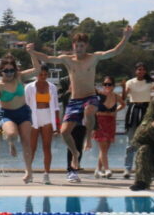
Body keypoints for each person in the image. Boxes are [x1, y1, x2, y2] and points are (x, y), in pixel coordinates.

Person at [27, 25, 133, 170]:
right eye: (77, 46)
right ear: (73, 46)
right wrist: (32, 52)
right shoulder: (67, 60)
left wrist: (126, 37)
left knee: (89, 111)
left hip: (90, 96)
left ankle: (88, 138)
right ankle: (75, 153)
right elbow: (47, 58)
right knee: (64, 132)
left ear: (86, 46)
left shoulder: (94, 58)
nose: (79, 49)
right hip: (74, 100)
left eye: (82, 46)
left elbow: (115, 51)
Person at [0, 54, 36, 183]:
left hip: (23, 112)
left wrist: (32, 53)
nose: (9, 73)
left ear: (15, 70)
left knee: (26, 142)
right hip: (7, 114)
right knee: (11, 134)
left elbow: (37, 70)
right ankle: (11, 142)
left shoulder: (19, 77)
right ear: (0, 71)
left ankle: (29, 171)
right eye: (6, 71)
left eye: (11, 70)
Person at [24, 63, 60, 184]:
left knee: (46, 146)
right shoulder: (29, 87)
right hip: (33, 118)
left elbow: (55, 107)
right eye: (41, 74)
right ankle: (29, 173)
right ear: (36, 74)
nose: (43, 76)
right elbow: (25, 106)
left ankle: (46, 174)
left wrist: (57, 125)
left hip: (47, 117)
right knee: (32, 148)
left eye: (45, 74)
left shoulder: (52, 87)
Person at [122, 63, 154, 179]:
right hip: (133, 111)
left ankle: (142, 168)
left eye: (143, 70)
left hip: (145, 111)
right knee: (130, 142)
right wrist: (122, 88)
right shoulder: (130, 82)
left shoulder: (150, 82)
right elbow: (124, 96)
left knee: (145, 142)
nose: (141, 72)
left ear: (145, 71)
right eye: (139, 70)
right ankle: (127, 168)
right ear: (136, 71)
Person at [93, 76, 123, 178]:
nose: (107, 86)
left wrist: (115, 111)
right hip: (100, 121)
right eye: (105, 84)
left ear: (113, 86)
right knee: (103, 148)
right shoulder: (100, 94)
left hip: (111, 122)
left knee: (105, 149)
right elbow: (90, 89)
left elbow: (123, 104)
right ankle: (107, 169)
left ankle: (97, 170)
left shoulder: (115, 96)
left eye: (109, 84)